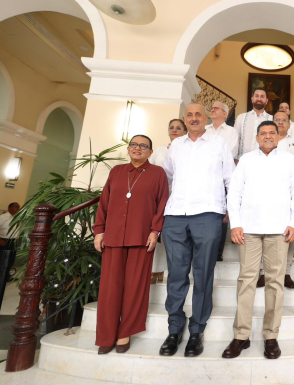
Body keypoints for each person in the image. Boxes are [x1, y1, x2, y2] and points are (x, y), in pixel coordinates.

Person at [222, 121, 294, 360]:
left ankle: (271, 335)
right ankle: (241, 335)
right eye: (263, 133)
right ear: (257, 138)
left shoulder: (289, 160)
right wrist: (236, 223)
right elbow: (235, 191)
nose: (268, 136)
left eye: (272, 133)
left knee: (275, 282)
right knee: (246, 279)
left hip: (280, 229)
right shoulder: (247, 160)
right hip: (248, 228)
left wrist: (293, 222)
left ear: (278, 136)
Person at [160, 103, 235, 357]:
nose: (194, 119)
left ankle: (196, 331)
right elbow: (167, 178)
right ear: (184, 118)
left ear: (207, 118)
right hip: (176, 215)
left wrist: (230, 209)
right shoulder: (176, 146)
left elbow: (230, 179)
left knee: (203, 274)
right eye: (189, 115)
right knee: (177, 274)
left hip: (208, 213)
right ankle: (174, 329)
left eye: (198, 115)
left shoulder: (218, 143)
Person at [93, 135, 168, 355]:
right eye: (134, 145)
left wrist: (155, 231)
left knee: (135, 287)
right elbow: (104, 202)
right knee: (109, 289)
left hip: (141, 238)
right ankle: (107, 335)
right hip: (114, 237)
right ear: (128, 149)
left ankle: (125, 332)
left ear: (150, 152)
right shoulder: (117, 172)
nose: (138, 148)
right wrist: (99, 230)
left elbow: (161, 203)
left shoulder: (158, 173)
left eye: (143, 146)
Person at [257, 111, 294, 289]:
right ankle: (262, 273)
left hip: (289, 194)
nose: (281, 122)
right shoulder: (263, 144)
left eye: (285, 120)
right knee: (263, 234)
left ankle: (286, 273)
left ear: (289, 124)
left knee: (289, 237)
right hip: (266, 197)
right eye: (278, 120)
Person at [148, 118, 187, 284]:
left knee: (169, 236)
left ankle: (163, 270)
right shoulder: (160, 149)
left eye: (179, 128)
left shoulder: (187, 149)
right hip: (156, 197)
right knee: (154, 233)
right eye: (171, 127)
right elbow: (149, 169)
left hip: (175, 198)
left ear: (185, 131)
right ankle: (153, 269)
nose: (175, 130)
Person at [206, 101, 239, 262]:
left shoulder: (232, 131)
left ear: (225, 114)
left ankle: (218, 252)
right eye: (212, 108)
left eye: (216, 108)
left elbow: (230, 152)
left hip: (223, 176)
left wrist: (209, 157)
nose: (212, 110)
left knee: (221, 215)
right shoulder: (204, 130)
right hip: (204, 177)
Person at [235, 88, 272, 159]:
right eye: (256, 96)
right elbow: (236, 140)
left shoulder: (271, 119)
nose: (259, 99)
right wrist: (236, 159)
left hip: (264, 161)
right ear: (252, 99)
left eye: (262, 96)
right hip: (242, 161)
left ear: (267, 101)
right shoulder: (241, 117)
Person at [0, 202, 20, 284]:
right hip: (2, 240)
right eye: (16, 207)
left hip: (12, 241)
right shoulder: (2, 217)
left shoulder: (17, 217)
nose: (18, 208)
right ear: (10, 208)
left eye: (18, 207)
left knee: (10, 259)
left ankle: (6, 276)